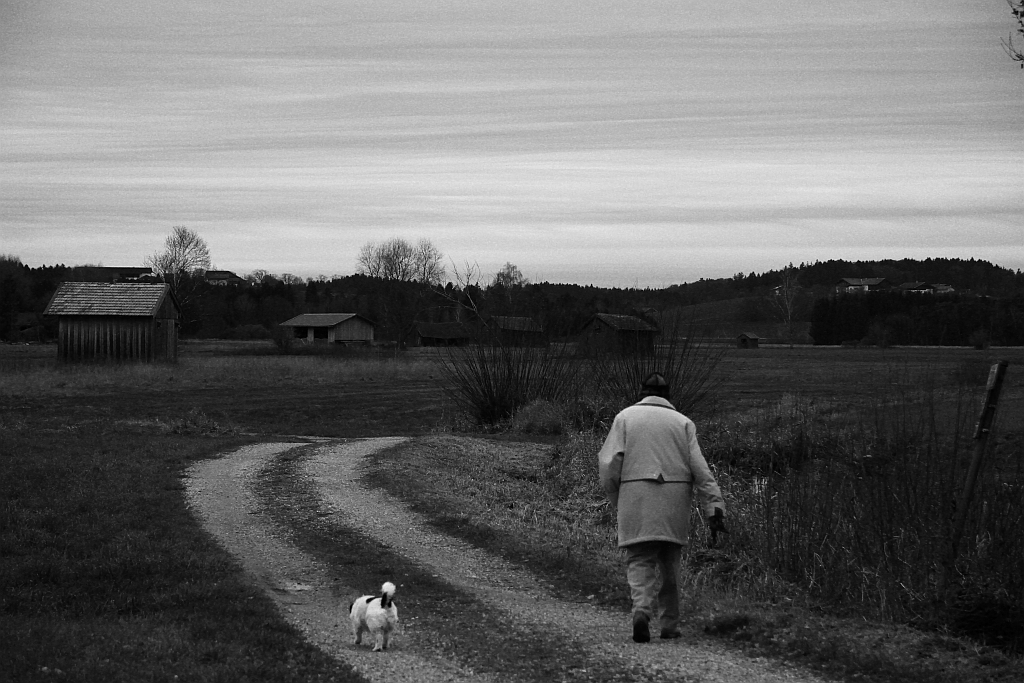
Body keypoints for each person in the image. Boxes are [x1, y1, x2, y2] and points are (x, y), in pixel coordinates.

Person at [598, 372, 726, 643]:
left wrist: (618, 499)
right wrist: (714, 508)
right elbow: (701, 470)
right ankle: (669, 625)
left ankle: (641, 611)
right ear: (668, 395)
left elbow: (609, 466)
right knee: (670, 564)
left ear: (641, 392)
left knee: (640, 559)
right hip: (674, 501)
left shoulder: (624, 418)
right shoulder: (683, 423)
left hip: (636, 498)